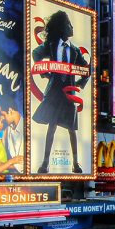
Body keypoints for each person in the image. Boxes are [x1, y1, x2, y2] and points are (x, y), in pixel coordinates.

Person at [31, 10, 90, 174]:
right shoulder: (50, 45)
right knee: (52, 125)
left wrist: (80, 83)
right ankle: (45, 163)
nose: (71, 27)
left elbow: (87, 69)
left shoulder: (75, 50)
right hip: (55, 92)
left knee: (72, 128)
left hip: (69, 93)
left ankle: (76, 163)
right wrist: (44, 71)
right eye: (69, 24)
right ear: (62, 27)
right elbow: (35, 54)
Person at [0, 104, 25, 173]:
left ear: (10, 110)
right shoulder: (8, 128)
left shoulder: (26, 129)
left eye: (4, 115)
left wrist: (0, 166)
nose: (3, 118)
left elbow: (22, 165)